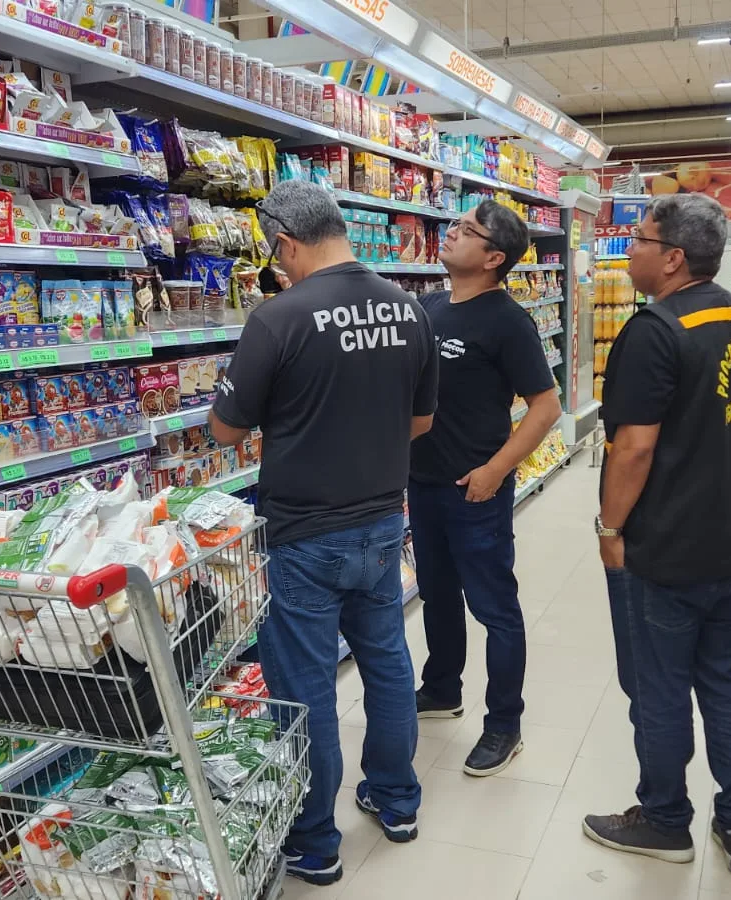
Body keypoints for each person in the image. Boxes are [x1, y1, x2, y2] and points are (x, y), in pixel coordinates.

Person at [209, 180, 438, 886]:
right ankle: (397, 800)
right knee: (390, 662)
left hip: (304, 535)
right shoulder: (410, 310)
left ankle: (316, 840)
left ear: (284, 243)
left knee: (305, 689)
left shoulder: (277, 318)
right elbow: (422, 423)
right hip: (381, 523)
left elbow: (226, 428)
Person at [582, 193, 731, 877]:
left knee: (660, 686)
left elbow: (634, 449)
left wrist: (611, 526)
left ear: (673, 257)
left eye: (639, 239)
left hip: (673, 544)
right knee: (726, 675)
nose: (630, 251)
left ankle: (666, 820)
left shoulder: (654, 332)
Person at [409, 200, 562, 776]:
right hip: (423, 482)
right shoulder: (428, 307)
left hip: (475, 489)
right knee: (437, 594)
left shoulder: (507, 321)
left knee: (495, 608)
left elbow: (544, 407)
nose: (452, 233)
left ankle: (505, 725)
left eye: (468, 231)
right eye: (456, 224)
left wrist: (496, 470)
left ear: (494, 258)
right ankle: (443, 688)